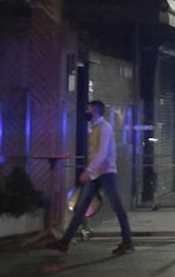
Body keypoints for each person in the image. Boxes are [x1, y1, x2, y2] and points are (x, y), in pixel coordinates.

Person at [48, 100, 133, 255]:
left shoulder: (104, 128)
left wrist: (88, 170)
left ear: (94, 110)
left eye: (88, 109)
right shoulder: (94, 128)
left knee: (117, 207)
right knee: (81, 209)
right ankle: (64, 242)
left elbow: (102, 153)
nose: (86, 112)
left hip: (106, 173)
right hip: (96, 174)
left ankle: (127, 241)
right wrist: (91, 171)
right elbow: (97, 153)